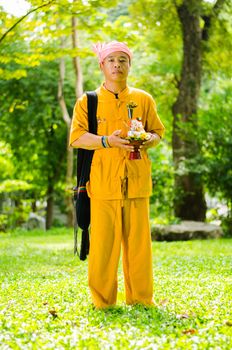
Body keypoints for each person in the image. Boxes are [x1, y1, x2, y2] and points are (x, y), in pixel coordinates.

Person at [69, 41, 165, 309]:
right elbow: (77, 138)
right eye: (111, 60)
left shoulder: (143, 99)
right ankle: (103, 302)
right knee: (103, 248)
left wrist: (148, 140)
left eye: (123, 60)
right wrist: (106, 141)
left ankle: (142, 300)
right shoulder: (88, 101)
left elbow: (158, 132)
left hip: (136, 180)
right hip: (101, 183)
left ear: (129, 65)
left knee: (139, 247)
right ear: (102, 65)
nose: (117, 65)